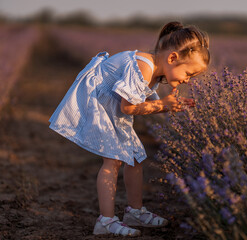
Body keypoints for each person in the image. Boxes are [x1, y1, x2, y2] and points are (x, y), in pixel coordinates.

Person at [48, 21, 210, 237]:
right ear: (172, 58)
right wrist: (162, 105)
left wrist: (166, 107)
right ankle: (105, 221)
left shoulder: (155, 71)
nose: (188, 80)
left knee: (134, 158)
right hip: (98, 103)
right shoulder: (143, 66)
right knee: (113, 159)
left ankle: (134, 212)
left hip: (114, 108)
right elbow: (129, 107)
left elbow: (139, 106)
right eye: (189, 73)